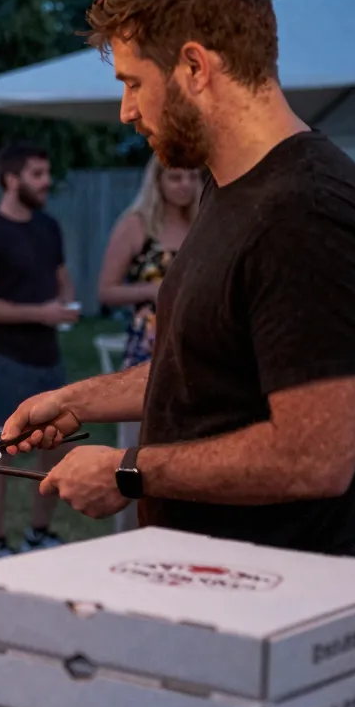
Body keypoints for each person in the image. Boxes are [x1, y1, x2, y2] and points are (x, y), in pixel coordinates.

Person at [1, 0, 355, 557]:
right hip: (203, 578)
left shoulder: (307, 214)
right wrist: (75, 399)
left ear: (194, 67)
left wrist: (128, 470)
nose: (125, 110)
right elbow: (207, 370)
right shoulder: (232, 188)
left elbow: (313, 458)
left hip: (272, 592)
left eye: (134, 82)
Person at [0, 143, 79, 557]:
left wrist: (65, 302)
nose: (46, 182)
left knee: (58, 445)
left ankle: (38, 533)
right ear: (11, 179)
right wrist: (39, 313)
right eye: (36, 174)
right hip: (3, 361)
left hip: (48, 358)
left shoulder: (48, 227)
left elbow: (62, 278)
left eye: (46, 173)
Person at [97, 156, 201, 532]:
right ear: (157, 180)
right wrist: (156, 290)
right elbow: (106, 289)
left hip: (197, 345)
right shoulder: (137, 225)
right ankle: (129, 531)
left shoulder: (204, 223)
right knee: (138, 447)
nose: (185, 185)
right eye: (176, 177)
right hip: (148, 346)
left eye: (192, 175)